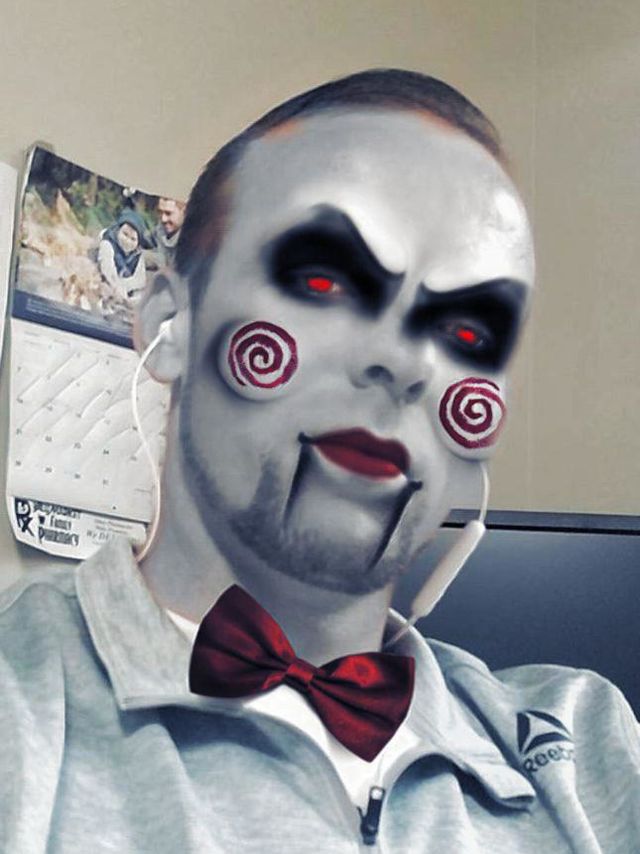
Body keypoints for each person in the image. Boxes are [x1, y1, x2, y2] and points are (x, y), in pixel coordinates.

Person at [1, 70, 638, 853]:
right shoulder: (19, 712)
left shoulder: (587, 745)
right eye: (326, 279)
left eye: (469, 331)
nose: (407, 362)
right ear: (169, 325)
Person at [97, 208, 148, 304]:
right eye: (125, 234)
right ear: (118, 230)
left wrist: (126, 287)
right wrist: (117, 287)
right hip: (103, 286)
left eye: (133, 239)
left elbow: (140, 280)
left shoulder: (137, 255)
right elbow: (107, 271)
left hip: (124, 291)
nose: (127, 241)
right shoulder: (107, 244)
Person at [146, 196, 186, 270]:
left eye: (168, 213)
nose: (163, 219)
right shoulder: (160, 230)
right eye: (160, 212)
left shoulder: (193, 239)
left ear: (184, 212)